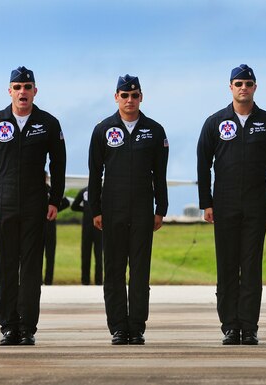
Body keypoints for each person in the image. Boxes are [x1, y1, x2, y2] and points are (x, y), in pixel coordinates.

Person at [0, 66, 66, 346]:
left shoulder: (48, 123)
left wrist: (54, 201)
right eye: (17, 87)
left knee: (29, 268)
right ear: (10, 91)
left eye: (27, 87)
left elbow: (59, 165)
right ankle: (8, 327)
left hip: (35, 205)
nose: (22, 92)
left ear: (35, 91)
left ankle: (27, 327)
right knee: (5, 267)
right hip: (3, 205)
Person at [197, 64, 266, 345]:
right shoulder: (215, 122)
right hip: (224, 204)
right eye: (238, 83)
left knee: (250, 267)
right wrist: (206, 203)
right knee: (226, 266)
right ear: (230, 87)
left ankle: (249, 326)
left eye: (248, 83)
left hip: (256, 205)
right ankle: (229, 326)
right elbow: (203, 164)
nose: (243, 88)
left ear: (255, 87)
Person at [88, 75, 169, 345]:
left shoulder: (155, 131)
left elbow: (160, 172)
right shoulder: (103, 130)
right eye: (125, 96)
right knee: (113, 270)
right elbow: (94, 173)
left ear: (141, 97)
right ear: (116, 97)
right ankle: (118, 327)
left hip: (143, 209)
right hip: (112, 209)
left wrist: (162, 208)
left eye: (134, 95)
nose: (130, 100)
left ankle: (136, 326)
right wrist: (95, 209)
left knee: (139, 271)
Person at [71, 186, 103, 285]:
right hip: (99, 227)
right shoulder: (102, 190)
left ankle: (85, 281)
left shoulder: (84, 191)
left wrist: (85, 209)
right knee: (98, 255)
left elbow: (74, 206)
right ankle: (98, 281)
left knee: (87, 254)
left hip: (88, 227)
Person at [43, 176, 70, 285]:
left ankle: (48, 280)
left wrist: (55, 209)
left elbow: (66, 202)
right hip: (37, 226)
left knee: (50, 254)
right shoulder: (36, 190)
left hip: (50, 225)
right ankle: (37, 279)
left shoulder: (51, 190)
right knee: (36, 254)